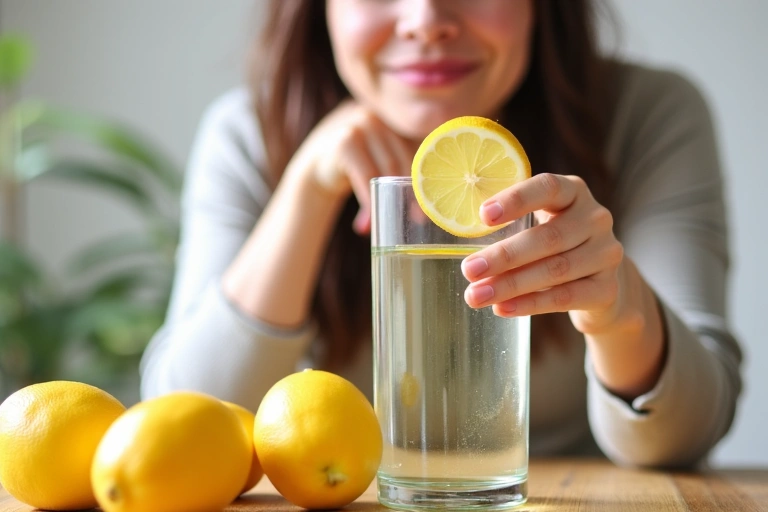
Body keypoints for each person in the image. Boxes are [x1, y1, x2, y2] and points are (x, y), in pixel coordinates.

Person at [140, 0, 741, 468]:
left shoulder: (648, 115)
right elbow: (182, 420)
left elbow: (687, 432)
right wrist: (305, 193)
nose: (426, 21)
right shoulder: (249, 132)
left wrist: (617, 306)